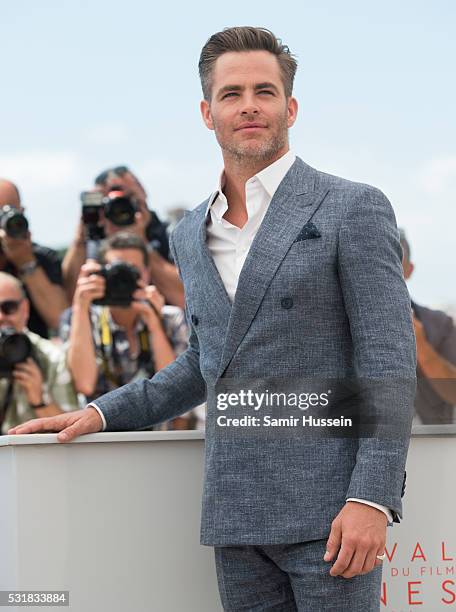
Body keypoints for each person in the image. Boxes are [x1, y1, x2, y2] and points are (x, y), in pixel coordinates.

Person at [9, 27, 416, 611]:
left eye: (264, 91)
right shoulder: (188, 232)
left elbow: (388, 361)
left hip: (333, 516)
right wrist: (99, 413)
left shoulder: (354, 206)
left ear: (290, 106)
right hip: (236, 513)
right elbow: (205, 361)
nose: (248, 105)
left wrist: (372, 500)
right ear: (207, 112)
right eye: (231, 94)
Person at [59, 232, 191, 428]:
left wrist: (154, 324)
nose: (123, 280)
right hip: (101, 439)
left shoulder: (171, 318)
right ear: (101, 274)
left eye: (131, 271)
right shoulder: (81, 318)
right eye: (116, 271)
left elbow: (175, 391)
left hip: (157, 440)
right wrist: (81, 305)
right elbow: (84, 383)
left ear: (147, 273)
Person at [61, 167, 184, 308]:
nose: (119, 208)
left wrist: (141, 243)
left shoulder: (173, 234)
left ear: (142, 193)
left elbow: (185, 297)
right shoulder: (93, 241)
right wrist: (84, 229)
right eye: (110, 202)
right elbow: (69, 300)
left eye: (128, 198)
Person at [0, 272, 78, 434]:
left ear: (25, 309)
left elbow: (72, 434)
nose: (1, 317)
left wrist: (40, 400)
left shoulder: (52, 357)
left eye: (9, 308)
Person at [400, 229, 456, 424]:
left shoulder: (441, 324)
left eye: (395, 261)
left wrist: (421, 345)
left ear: (409, 270)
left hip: (433, 445)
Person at [0, 179, 69, 337]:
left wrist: (26, 262)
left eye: (6, 213)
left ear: (21, 212)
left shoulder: (42, 259)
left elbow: (62, 321)